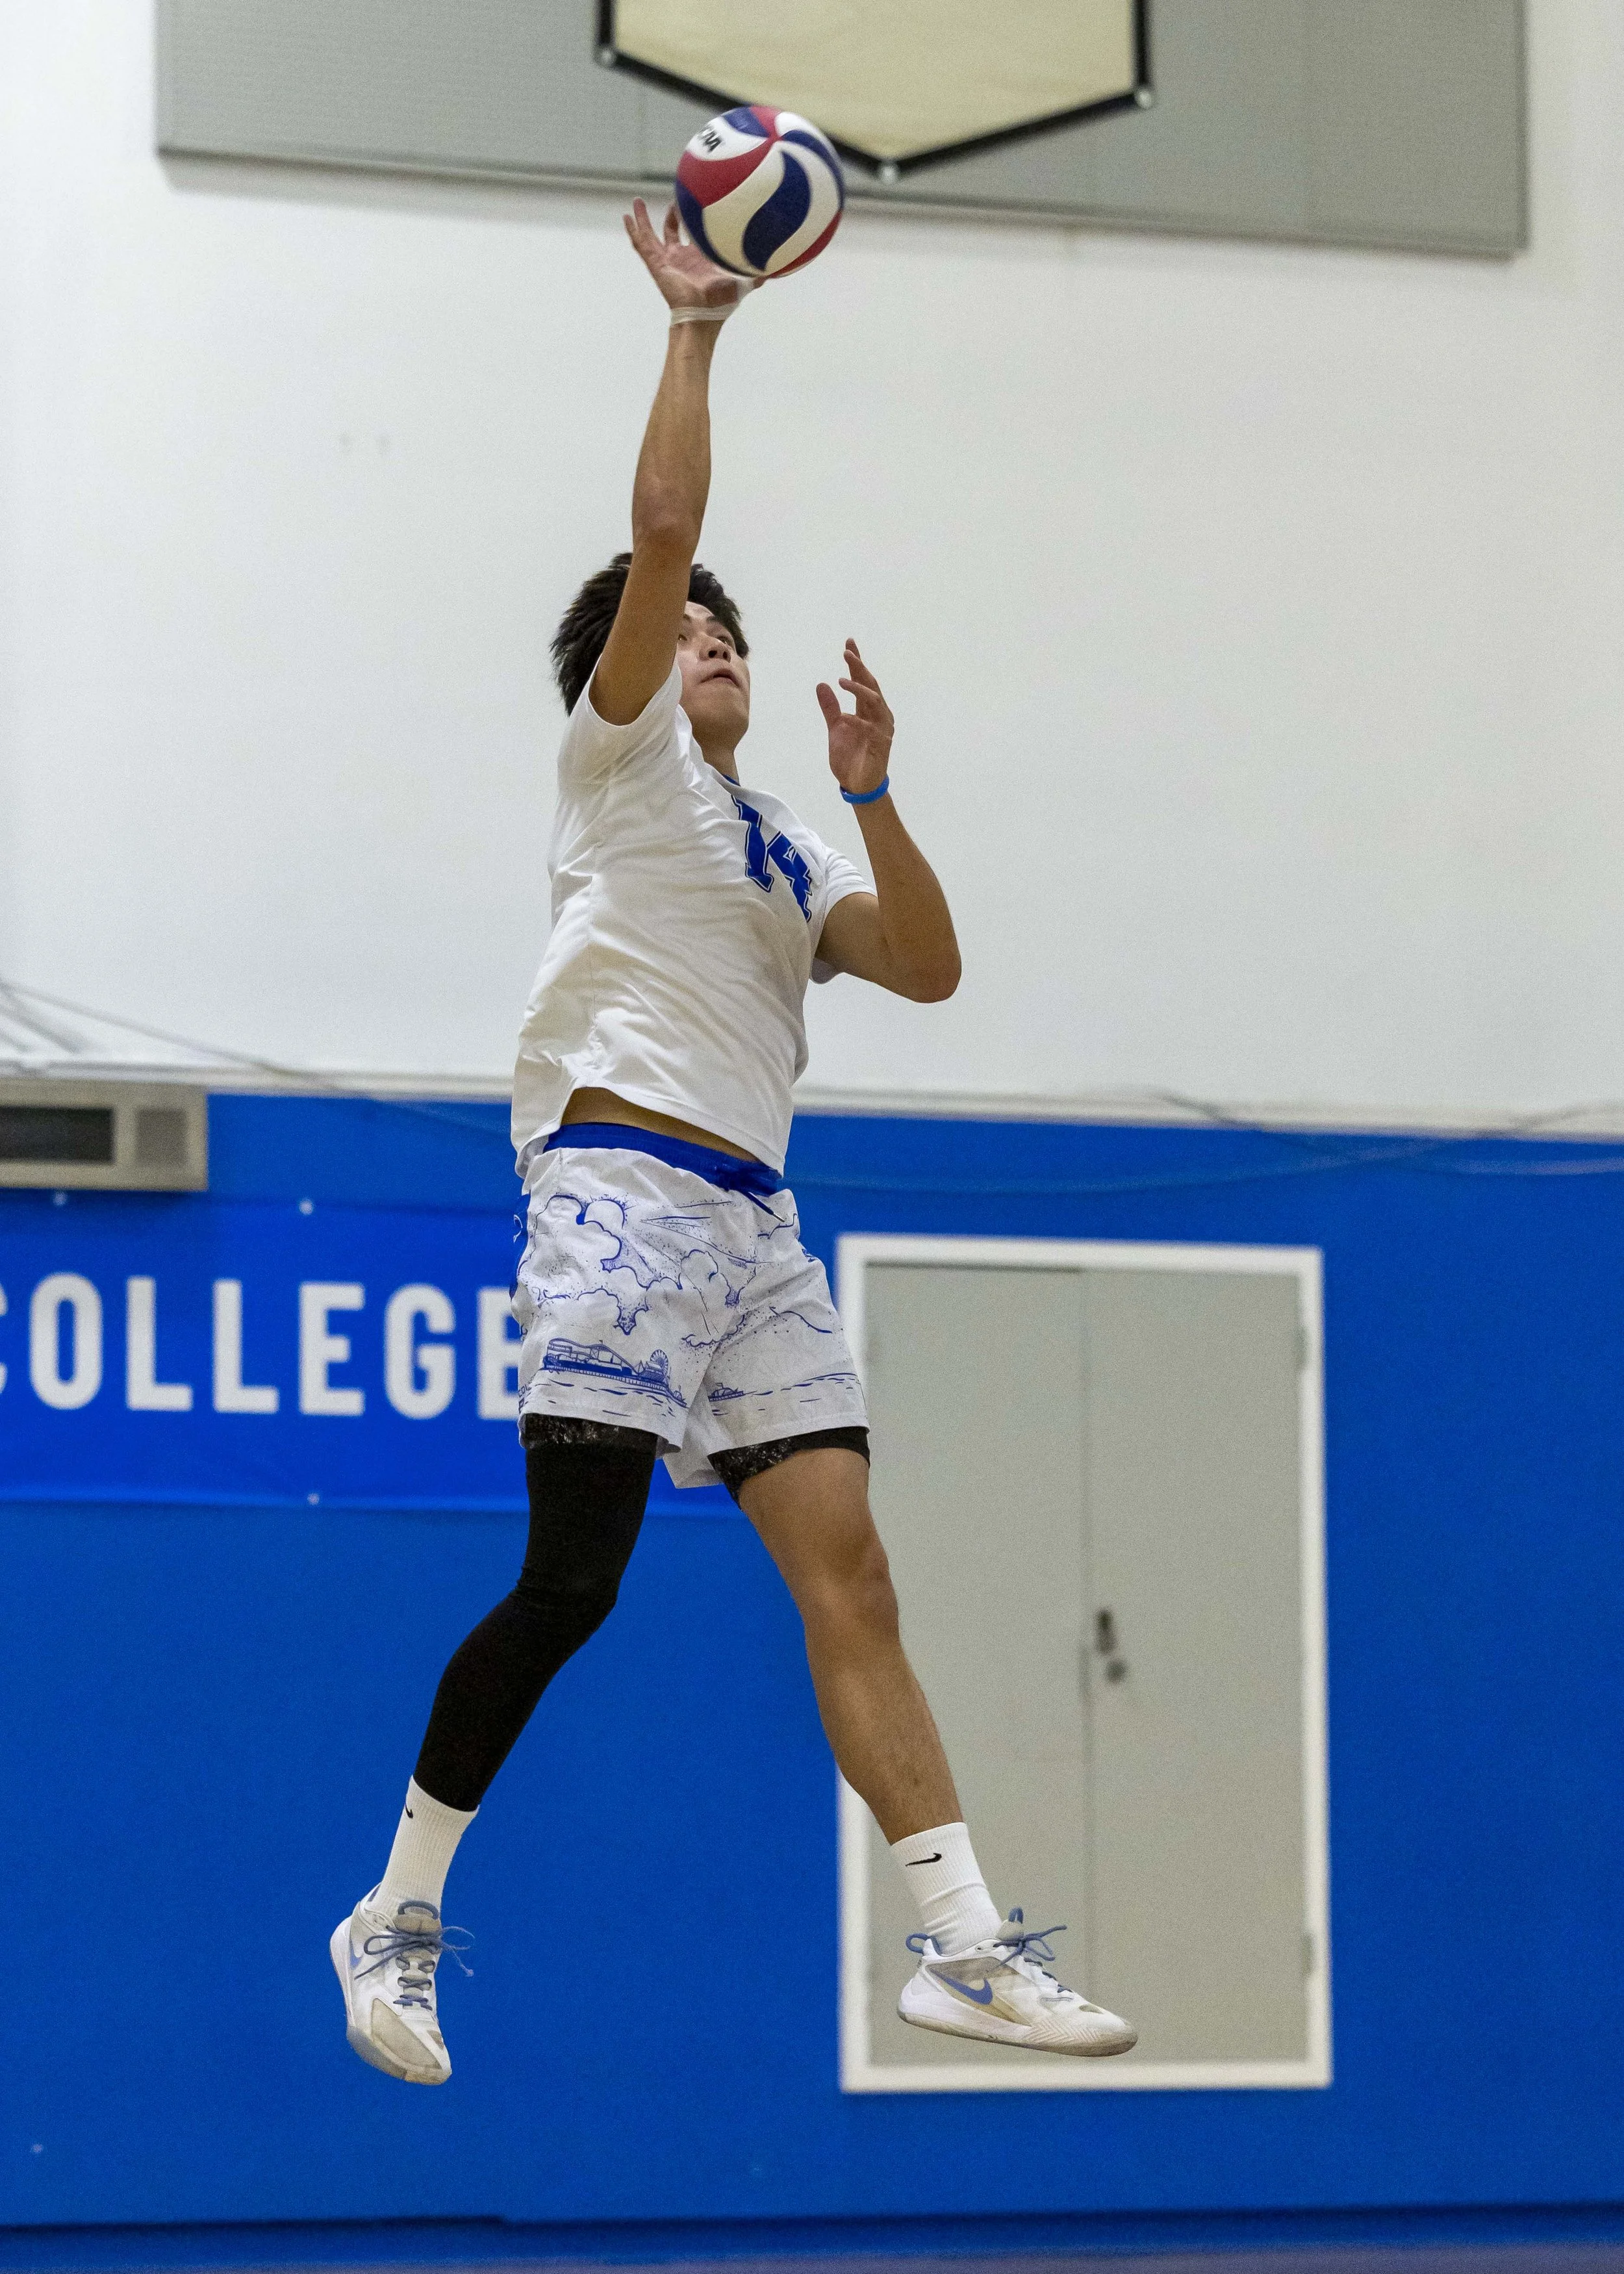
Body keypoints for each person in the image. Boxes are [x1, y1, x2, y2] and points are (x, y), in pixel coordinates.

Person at [331, 199, 1136, 2084]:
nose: (703, 634)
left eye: (723, 636)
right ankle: (397, 1905)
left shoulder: (789, 846)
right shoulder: (616, 767)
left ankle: (957, 1944)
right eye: (674, 624)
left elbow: (925, 968)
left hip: (755, 1226)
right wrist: (696, 330)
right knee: (577, 1578)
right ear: (620, 660)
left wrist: (872, 789)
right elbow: (667, 533)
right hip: (614, 1193)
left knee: (850, 1573)